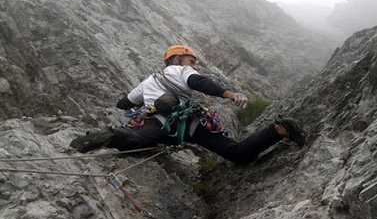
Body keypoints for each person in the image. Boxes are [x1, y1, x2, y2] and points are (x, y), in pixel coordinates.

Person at [69, 45, 306, 164]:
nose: (193, 65)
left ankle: (109, 137)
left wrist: (134, 105)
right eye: (190, 60)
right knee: (238, 154)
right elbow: (198, 81)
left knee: (137, 141)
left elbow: (124, 103)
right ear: (175, 59)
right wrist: (228, 93)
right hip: (189, 124)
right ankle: (279, 128)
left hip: (156, 123)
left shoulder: (148, 80)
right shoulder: (180, 70)